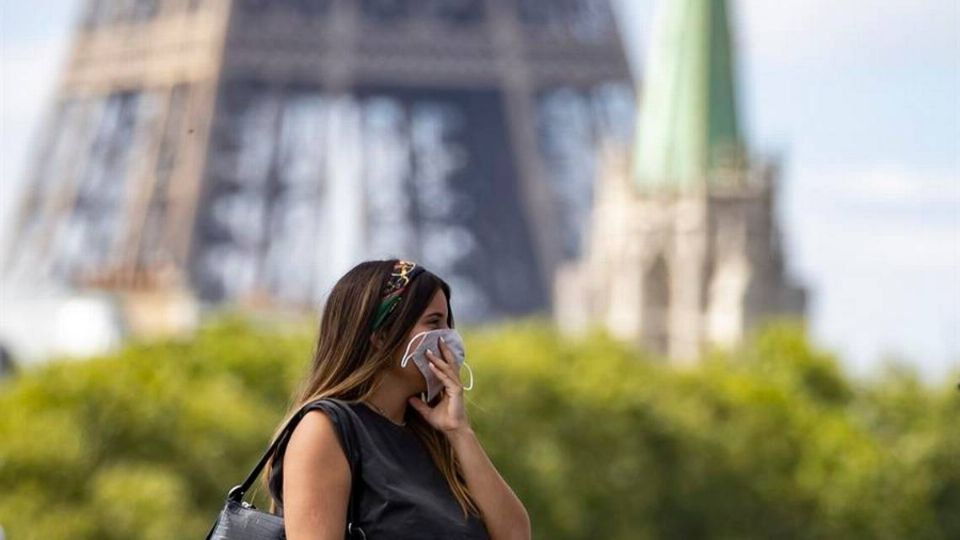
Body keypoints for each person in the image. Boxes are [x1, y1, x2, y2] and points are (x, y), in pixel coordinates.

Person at [262, 259, 532, 539]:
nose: (449, 339)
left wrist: (460, 432)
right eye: (434, 322)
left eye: (448, 324)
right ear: (381, 335)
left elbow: (515, 535)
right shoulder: (326, 429)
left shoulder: (431, 436)